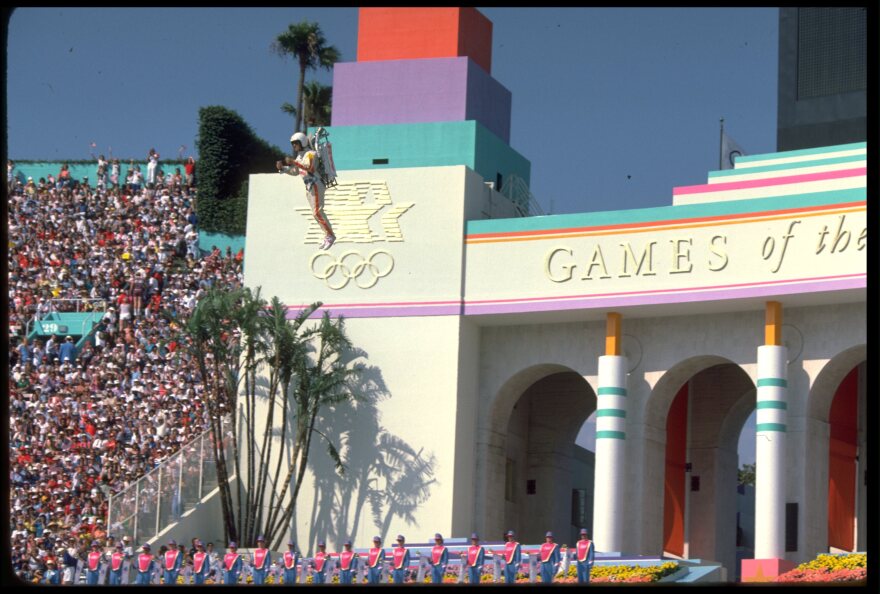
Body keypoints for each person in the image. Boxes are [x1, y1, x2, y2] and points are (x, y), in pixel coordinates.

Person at [277, 131, 336, 250]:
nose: (294, 145)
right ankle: (327, 235)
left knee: (317, 212)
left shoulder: (310, 154)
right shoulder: (300, 157)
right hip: (309, 187)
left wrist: (293, 162)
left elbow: (310, 167)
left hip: (315, 184)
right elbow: (295, 171)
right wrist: (283, 168)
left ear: (302, 142)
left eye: (296, 143)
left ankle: (330, 235)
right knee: (316, 213)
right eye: (292, 144)